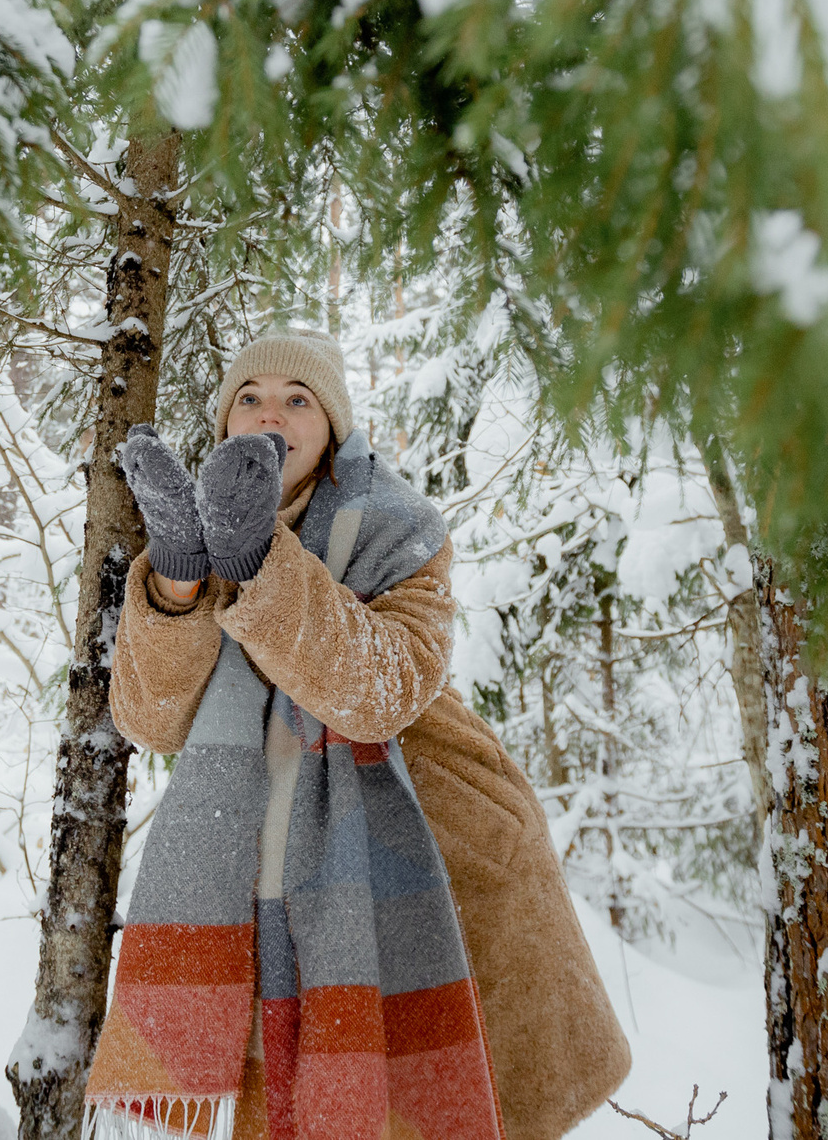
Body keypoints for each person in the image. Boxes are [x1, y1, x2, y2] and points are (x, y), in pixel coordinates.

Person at [84, 329, 630, 1140]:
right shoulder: (191, 533)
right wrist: (178, 571)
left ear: (333, 425)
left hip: (424, 845)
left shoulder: (401, 526)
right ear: (227, 422)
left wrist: (261, 561)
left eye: (298, 399)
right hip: (245, 871)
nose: (272, 412)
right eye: (251, 396)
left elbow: (385, 688)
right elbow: (152, 717)